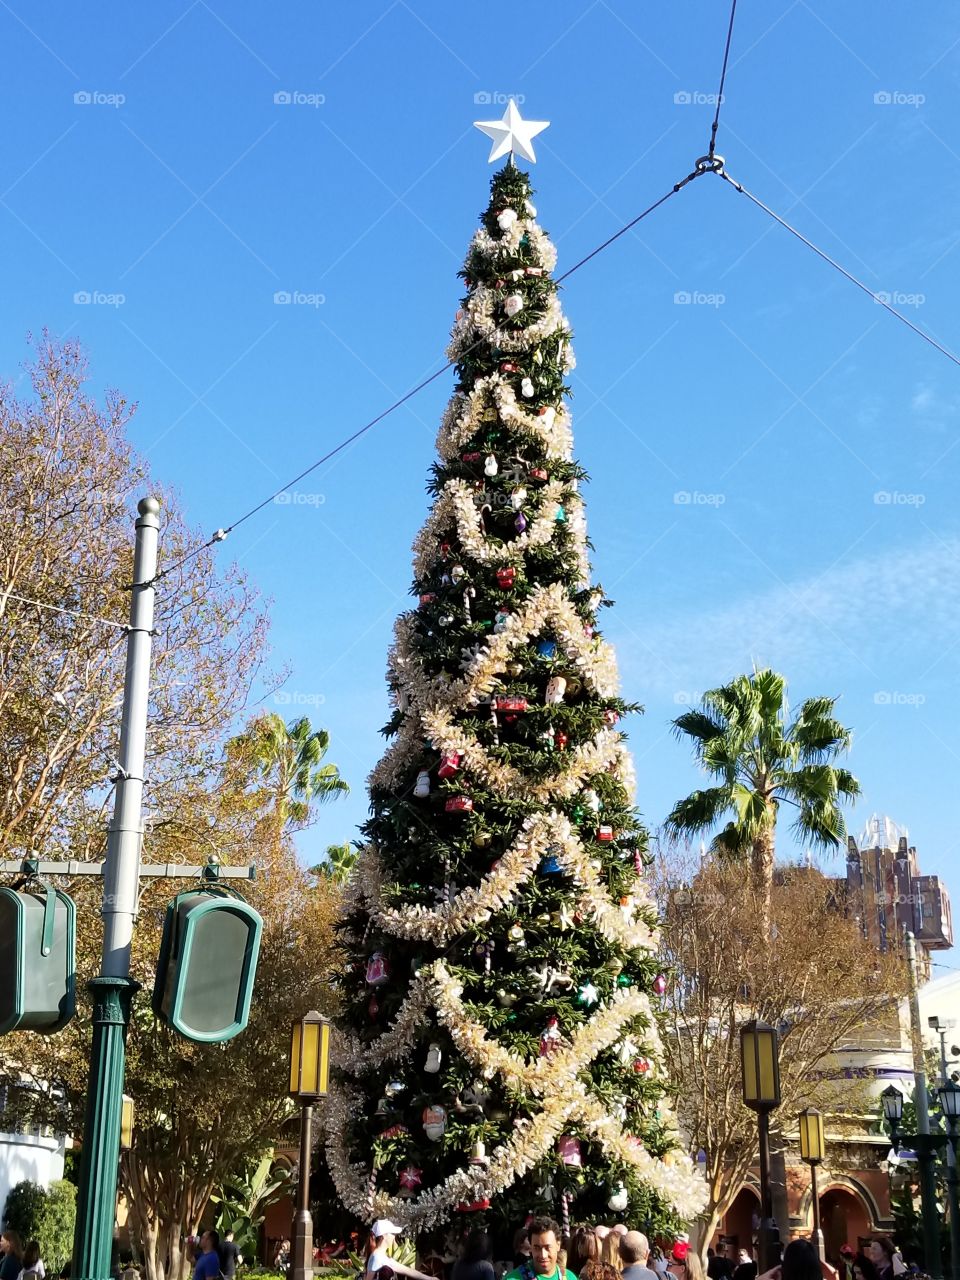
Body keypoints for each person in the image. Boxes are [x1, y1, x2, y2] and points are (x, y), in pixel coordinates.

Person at [503, 1218, 576, 1280]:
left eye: (548, 1247)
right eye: (537, 1248)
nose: (543, 1255)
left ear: (558, 1245)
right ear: (530, 1247)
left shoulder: (570, 1277)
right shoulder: (513, 1278)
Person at [365, 1220, 434, 1280]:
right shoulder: (377, 1257)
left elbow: (408, 1271)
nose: (394, 1236)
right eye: (392, 1233)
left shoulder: (381, 1257)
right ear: (384, 1236)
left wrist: (430, 1278)